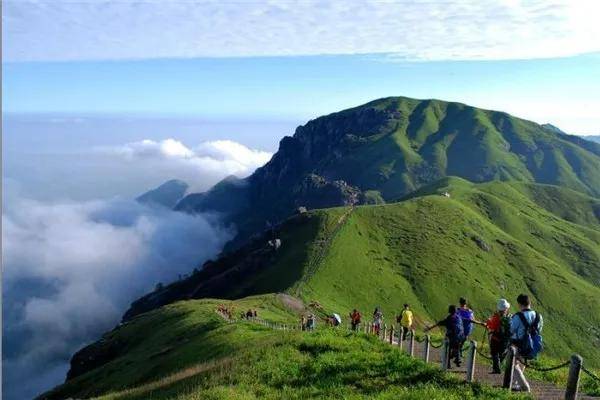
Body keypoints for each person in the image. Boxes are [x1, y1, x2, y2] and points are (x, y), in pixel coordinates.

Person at [509, 294, 543, 392]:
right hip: (532, 344)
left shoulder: (518, 316)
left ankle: (524, 386)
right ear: (529, 303)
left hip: (518, 343)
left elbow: (511, 330)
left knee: (514, 364)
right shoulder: (538, 316)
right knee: (523, 363)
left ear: (519, 304)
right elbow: (539, 330)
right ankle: (517, 384)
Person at [485, 299, 512, 374]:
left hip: (496, 338)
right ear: (506, 308)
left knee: (494, 352)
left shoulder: (496, 317)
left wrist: (488, 322)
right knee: (501, 353)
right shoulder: (509, 317)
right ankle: (499, 366)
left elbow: (492, 327)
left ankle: (496, 368)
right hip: (506, 339)